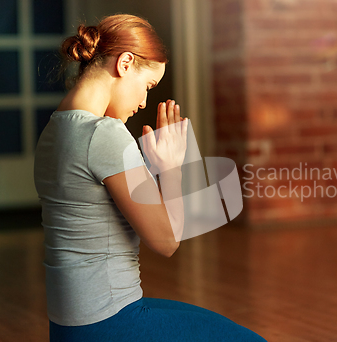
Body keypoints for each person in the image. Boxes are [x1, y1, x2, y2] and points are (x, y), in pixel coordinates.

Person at [34, 14, 267, 342]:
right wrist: (170, 167)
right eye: (147, 86)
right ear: (125, 64)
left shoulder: (54, 129)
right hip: (109, 324)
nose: (144, 102)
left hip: (68, 327)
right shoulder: (105, 134)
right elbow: (166, 241)